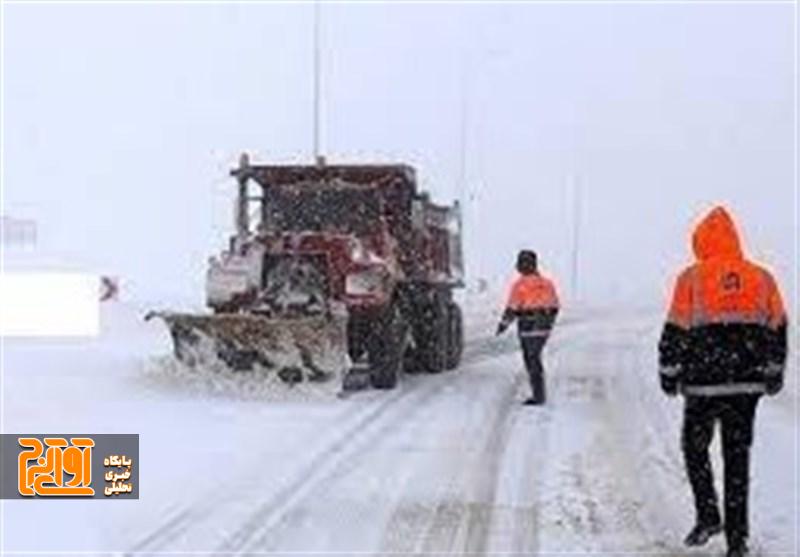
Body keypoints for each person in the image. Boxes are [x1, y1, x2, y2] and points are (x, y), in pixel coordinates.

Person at [658, 206, 788, 557]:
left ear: (701, 242)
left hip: (702, 385)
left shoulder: (692, 278)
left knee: (695, 448)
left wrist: (668, 374)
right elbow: (778, 328)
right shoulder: (762, 277)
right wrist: (774, 371)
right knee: (737, 459)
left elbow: (674, 331)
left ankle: (708, 515)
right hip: (746, 387)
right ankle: (737, 541)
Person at [496, 249, 560, 405]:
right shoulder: (547, 283)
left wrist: (503, 325)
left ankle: (539, 395)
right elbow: (555, 306)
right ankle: (539, 393)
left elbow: (512, 308)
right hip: (543, 327)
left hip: (527, 327)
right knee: (535, 358)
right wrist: (547, 321)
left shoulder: (519, 285)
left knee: (531, 360)